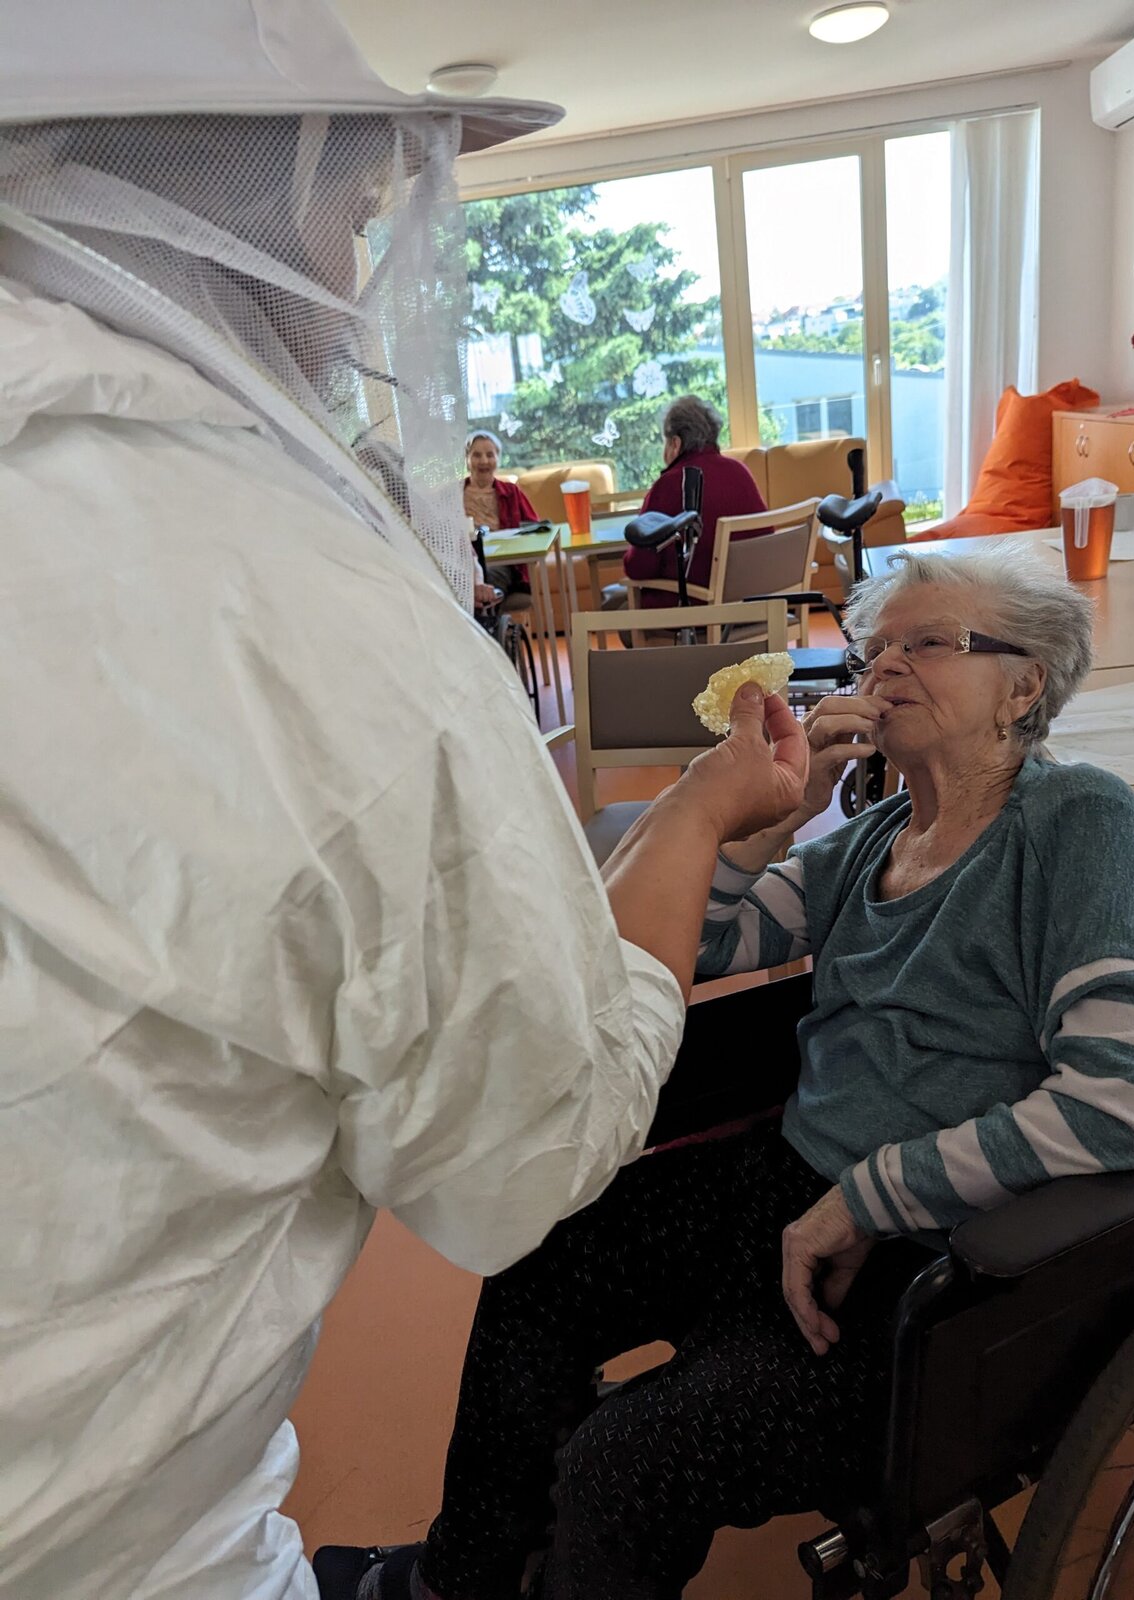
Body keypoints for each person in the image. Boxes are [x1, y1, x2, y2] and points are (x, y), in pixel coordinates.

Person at [0, 8, 810, 1600]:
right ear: (240, 201)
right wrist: (694, 819)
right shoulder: (311, 618)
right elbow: (519, 1160)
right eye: (354, 211)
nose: (358, 268)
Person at [327, 543, 1134, 1600]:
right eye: (875, 649)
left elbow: (1126, 1102)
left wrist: (868, 1197)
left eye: (926, 643)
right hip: (783, 1186)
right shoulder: (874, 835)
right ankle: (463, 1574)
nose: (882, 666)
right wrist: (769, 821)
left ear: (1023, 687)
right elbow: (699, 942)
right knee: (536, 1253)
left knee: (624, 1461)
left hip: (927, 1273)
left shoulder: (1076, 823)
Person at [613, 394, 769, 611]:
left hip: (696, 608)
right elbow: (766, 537)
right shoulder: (740, 472)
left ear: (676, 443)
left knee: (615, 606)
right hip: (754, 605)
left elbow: (638, 568)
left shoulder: (670, 484)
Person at [462, 428, 540, 606]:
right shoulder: (453, 494)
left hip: (500, 562)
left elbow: (534, 527)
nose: (484, 461)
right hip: (465, 561)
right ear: (467, 459)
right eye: (476, 455)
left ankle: (485, 612)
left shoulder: (511, 492)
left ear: (498, 459)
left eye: (490, 455)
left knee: (488, 576)